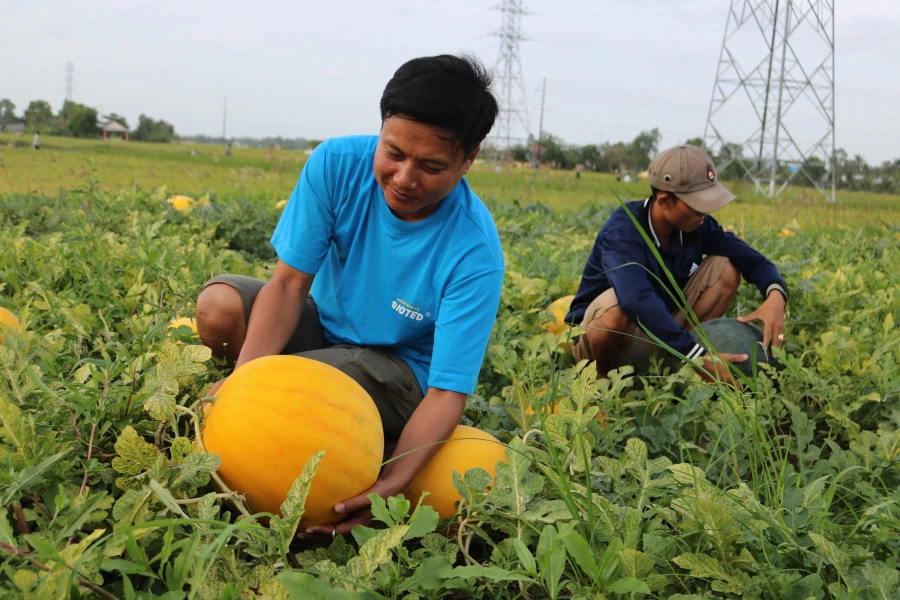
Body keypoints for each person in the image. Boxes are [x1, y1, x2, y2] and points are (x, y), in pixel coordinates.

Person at [195, 54, 503, 538]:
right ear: (381, 129)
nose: (404, 178)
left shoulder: (474, 250)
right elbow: (290, 284)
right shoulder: (336, 164)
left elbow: (447, 392)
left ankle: (377, 437)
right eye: (394, 153)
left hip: (400, 370)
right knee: (220, 307)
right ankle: (312, 410)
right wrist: (241, 386)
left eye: (431, 166)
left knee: (294, 405)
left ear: (469, 159)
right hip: (327, 325)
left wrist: (394, 481)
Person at [566, 144, 787, 382]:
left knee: (727, 268)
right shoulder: (622, 231)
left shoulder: (697, 225)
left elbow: (750, 259)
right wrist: (697, 356)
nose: (704, 213)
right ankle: (600, 383)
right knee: (616, 308)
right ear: (664, 200)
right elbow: (636, 299)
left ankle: (675, 363)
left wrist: (776, 294)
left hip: (659, 329)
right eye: (696, 205)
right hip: (600, 339)